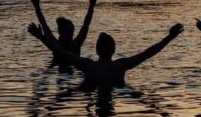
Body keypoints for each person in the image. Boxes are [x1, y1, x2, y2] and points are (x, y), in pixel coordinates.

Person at [27, 22, 184, 87]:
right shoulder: (120, 66)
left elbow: (60, 52)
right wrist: (169, 37)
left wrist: (40, 36)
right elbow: (148, 53)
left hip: (87, 89)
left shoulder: (88, 65)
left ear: (96, 50)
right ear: (114, 50)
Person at [29, 0, 97, 65]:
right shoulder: (76, 45)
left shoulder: (54, 45)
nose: (72, 32)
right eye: (71, 30)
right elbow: (86, 25)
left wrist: (37, 7)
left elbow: (44, 25)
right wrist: (91, 6)